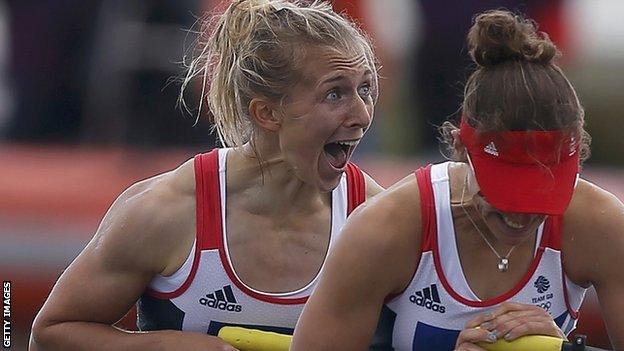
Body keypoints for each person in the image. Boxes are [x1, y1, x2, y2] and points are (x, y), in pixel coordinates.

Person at [29, 0, 383, 350]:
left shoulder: (378, 218)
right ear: (267, 113)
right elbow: (48, 335)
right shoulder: (168, 211)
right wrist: (165, 347)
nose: (362, 115)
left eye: (365, 88)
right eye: (335, 94)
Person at [292, 9, 624, 351]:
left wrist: (563, 348)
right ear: (461, 149)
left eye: (542, 195)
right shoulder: (387, 227)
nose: (521, 215)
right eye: (507, 190)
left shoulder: (601, 224)